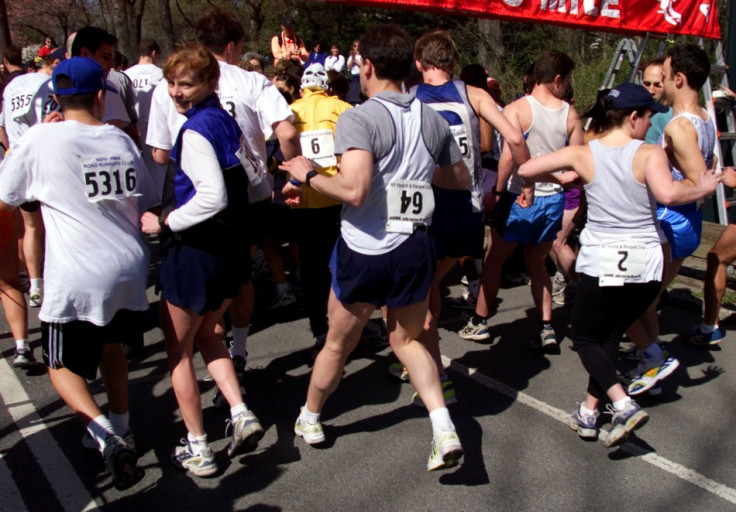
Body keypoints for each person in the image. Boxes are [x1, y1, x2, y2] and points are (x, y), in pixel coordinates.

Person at [281, 24, 468, 471]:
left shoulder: (358, 117)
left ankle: (309, 418)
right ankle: (443, 427)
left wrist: (306, 173)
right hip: (413, 246)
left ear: (367, 66)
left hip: (364, 250)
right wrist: (419, 179)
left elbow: (355, 189)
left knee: (336, 344)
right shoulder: (431, 118)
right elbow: (459, 178)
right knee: (407, 339)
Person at [518, 82, 719, 447]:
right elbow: (670, 194)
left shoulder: (583, 154)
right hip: (646, 264)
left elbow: (527, 166)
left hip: (603, 260)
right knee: (609, 335)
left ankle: (622, 403)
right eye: (646, 117)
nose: (649, 125)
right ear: (632, 117)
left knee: (584, 337)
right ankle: (589, 412)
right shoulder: (648, 153)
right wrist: (704, 188)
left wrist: (562, 177)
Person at [0, 56, 156, 489]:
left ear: (56, 98)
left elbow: (7, 193)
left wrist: (31, 139)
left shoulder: (41, 139)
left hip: (77, 274)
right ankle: (121, 425)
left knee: (59, 363)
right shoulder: (121, 141)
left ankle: (105, 435)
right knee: (111, 348)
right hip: (128, 267)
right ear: (101, 96)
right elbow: (142, 197)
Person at [140, 44, 264, 477]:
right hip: (228, 251)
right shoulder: (225, 121)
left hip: (195, 253)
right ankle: (240, 411)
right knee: (211, 332)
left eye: (186, 83)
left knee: (178, 351)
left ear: (211, 83)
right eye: (171, 83)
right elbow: (255, 178)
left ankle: (198, 446)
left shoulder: (195, 131)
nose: (176, 92)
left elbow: (210, 196)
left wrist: (167, 222)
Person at [408, 30, 528, 406]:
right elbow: (515, 137)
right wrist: (525, 180)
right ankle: (420, 359)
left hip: (424, 207)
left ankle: (433, 376)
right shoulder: (474, 94)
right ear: (454, 64)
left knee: (423, 294)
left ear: (418, 64)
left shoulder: (408, 99)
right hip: (467, 208)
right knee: (430, 288)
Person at [459, 50, 583, 351]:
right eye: (566, 80)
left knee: (494, 261)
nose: (567, 86)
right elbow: (578, 160)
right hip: (552, 199)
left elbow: (506, 157)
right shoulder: (570, 114)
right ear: (556, 79)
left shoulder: (516, 109)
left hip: (518, 197)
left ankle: (480, 321)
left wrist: (498, 192)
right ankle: (546, 328)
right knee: (538, 264)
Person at [625, 44, 715, 392]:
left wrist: (660, 178)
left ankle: (653, 363)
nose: (658, 82)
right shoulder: (704, 117)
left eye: (663, 76)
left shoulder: (679, 127)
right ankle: (649, 361)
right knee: (649, 299)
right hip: (686, 222)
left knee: (630, 299)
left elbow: (699, 183)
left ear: (679, 79)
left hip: (671, 220)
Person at [288, 63, 352, 360]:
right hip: (336, 197)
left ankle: (320, 330)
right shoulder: (342, 107)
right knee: (341, 266)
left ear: (302, 88)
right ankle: (346, 330)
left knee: (311, 270)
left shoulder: (290, 110)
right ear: (326, 87)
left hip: (302, 200)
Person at [0, 46, 61, 311]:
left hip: (22, 162)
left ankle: (35, 283)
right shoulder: (51, 85)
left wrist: (11, 154)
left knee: (31, 226)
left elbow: (4, 127)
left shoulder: (12, 88)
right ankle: (51, 277)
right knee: (54, 225)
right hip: (49, 161)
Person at [71, 26, 141, 147]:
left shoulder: (109, 87)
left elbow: (115, 135)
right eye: (106, 57)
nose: (111, 65)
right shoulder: (104, 86)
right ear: (85, 53)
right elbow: (113, 143)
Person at [124, 39, 166, 202]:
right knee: (158, 174)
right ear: (154, 53)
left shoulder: (126, 75)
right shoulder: (161, 75)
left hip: (130, 131)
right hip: (154, 131)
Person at [641, 56, 673, 144]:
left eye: (657, 85)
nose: (651, 90)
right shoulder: (635, 113)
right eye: (647, 84)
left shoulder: (673, 117)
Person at [346, 40, 362, 104]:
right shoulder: (351, 57)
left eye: (358, 46)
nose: (357, 48)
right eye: (355, 46)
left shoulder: (362, 56)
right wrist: (352, 59)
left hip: (359, 75)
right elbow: (349, 68)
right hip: (353, 76)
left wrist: (355, 60)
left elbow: (362, 65)